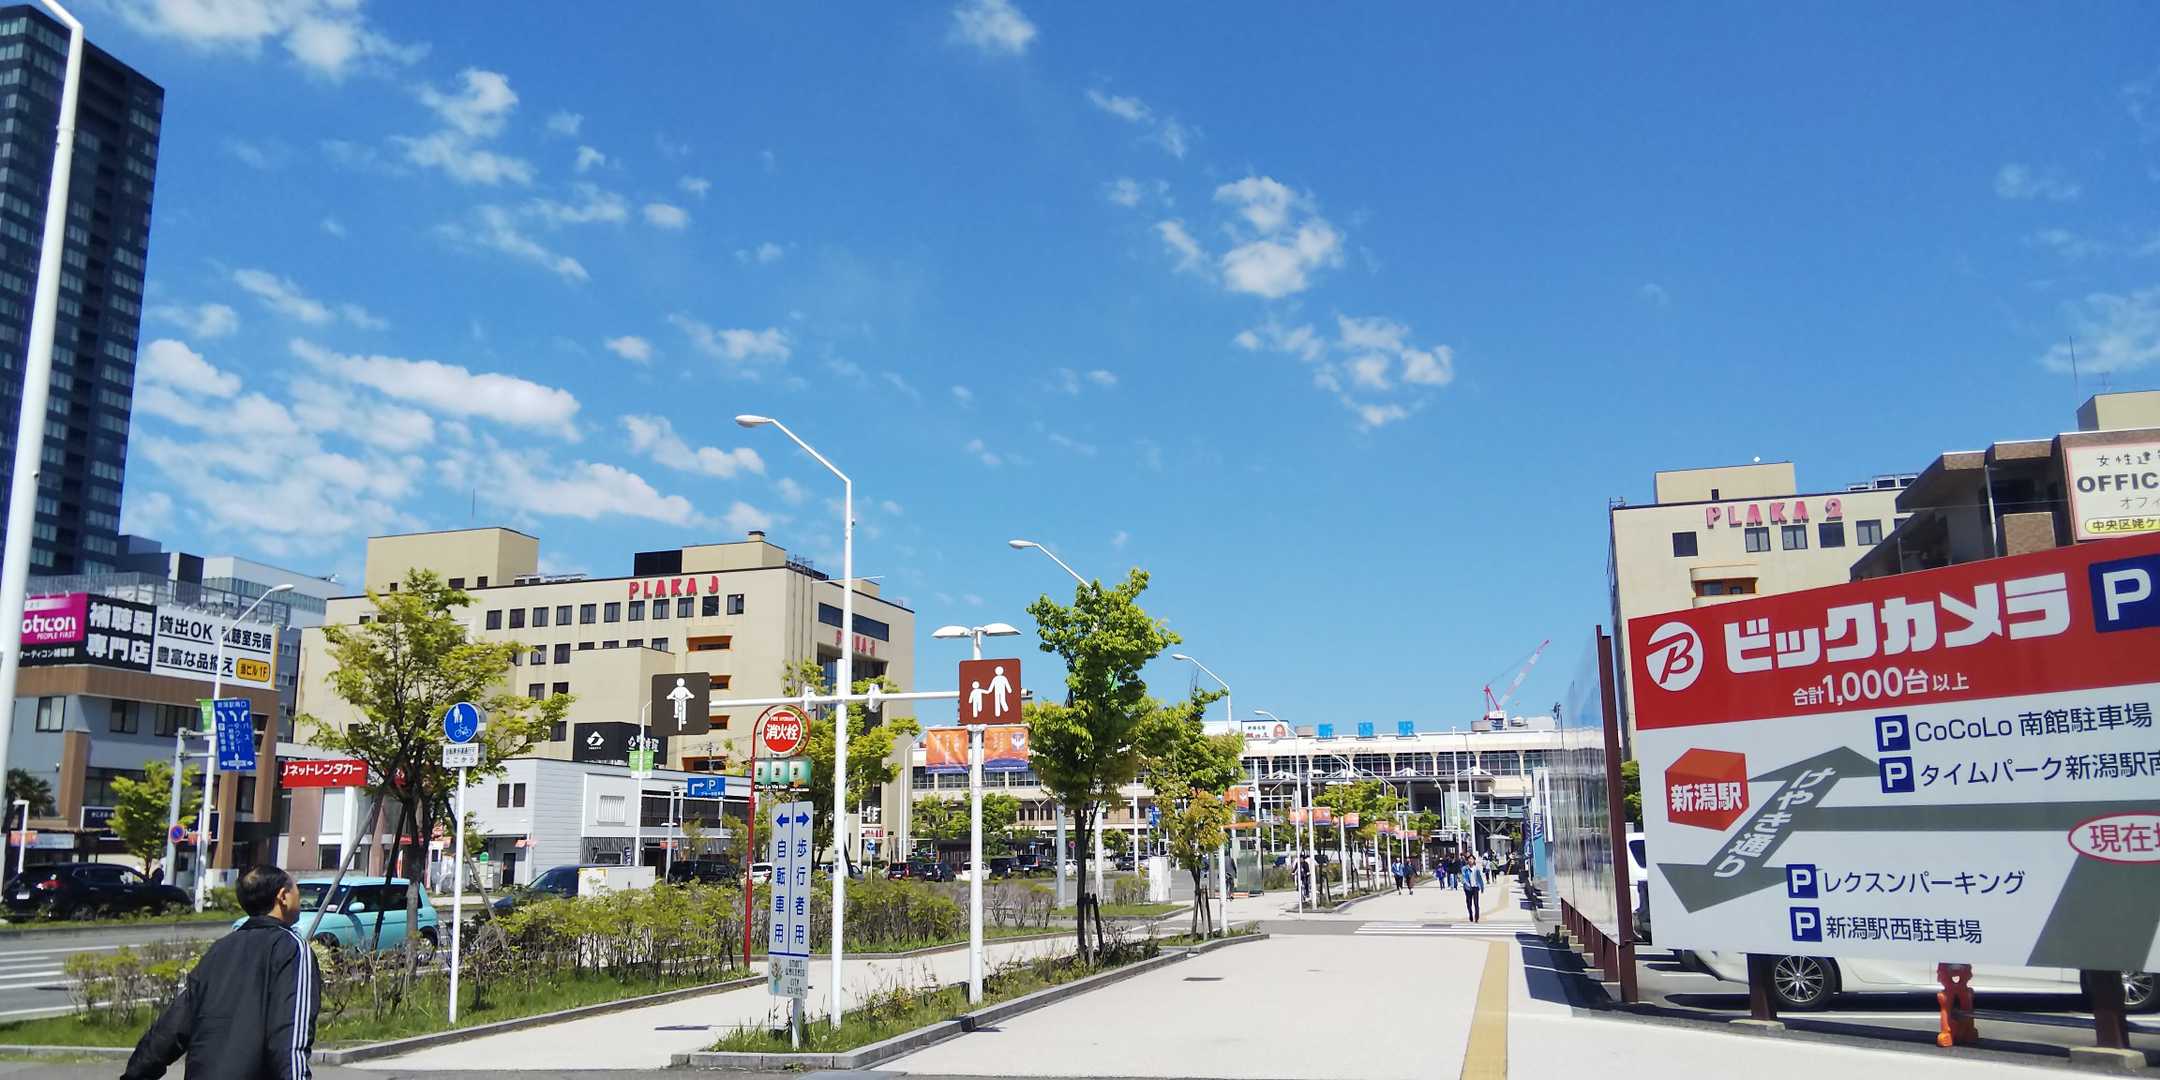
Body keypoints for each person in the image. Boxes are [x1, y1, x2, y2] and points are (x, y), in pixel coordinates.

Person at [125, 865, 320, 1080]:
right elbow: (291, 1036)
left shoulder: (219, 949)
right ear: (283, 896)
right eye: (296, 889)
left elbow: (171, 1027)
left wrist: (135, 1074)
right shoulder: (292, 948)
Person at [1461, 854, 1488, 922]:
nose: (1470, 860)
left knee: (1476, 903)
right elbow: (1463, 878)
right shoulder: (1464, 868)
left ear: (1474, 860)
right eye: (1469, 859)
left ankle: (1476, 917)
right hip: (1468, 888)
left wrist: (1482, 886)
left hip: (1475, 887)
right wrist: (1466, 884)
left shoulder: (1476, 869)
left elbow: (1479, 878)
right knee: (1469, 903)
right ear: (1467, 860)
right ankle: (1470, 914)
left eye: (1472, 859)